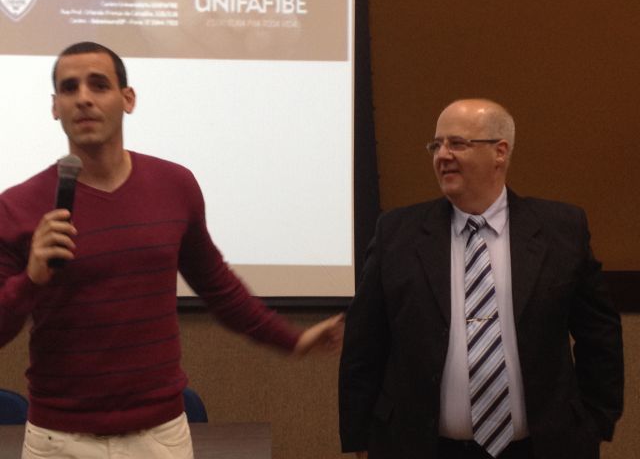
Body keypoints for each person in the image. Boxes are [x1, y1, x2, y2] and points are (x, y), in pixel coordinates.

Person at [0, 41, 343, 458]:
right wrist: (31, 280)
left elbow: (218, 287)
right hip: (58, 439)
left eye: (99, 85)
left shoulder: (174, 186)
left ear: (128, 99)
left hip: (159, 436)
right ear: (55, 107)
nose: (84, 98)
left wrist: (291, 339)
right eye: (70, 88)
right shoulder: (18, 206)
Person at [338, 99, 624, 459]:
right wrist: (360, 437)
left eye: (457, 143)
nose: (442, 155)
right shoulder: (397, 234)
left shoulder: (561, 230)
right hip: (422, 447)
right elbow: (364, 344)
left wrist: (595, 423)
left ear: (500, 152)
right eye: (436, 145)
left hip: (541, 448)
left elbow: (600, 335)